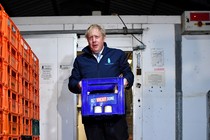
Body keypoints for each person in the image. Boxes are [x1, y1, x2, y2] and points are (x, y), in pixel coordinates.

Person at [68, 24, 134, 140]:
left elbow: (129, 75)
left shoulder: (117, 55)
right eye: (90, 37)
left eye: (96, 37)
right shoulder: (80, 60)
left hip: (115, 113)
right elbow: (72, 82)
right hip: (92, 115)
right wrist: (78, 85)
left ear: (103, 37)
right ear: (87, 40)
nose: (94, 40)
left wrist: (125, 81)